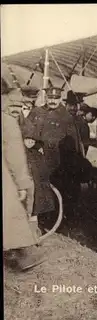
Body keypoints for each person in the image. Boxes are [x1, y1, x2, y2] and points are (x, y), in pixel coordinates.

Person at [22, 86, 83, 221]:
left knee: (58, 186)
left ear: (60, 99)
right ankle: (38, 217)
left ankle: (56, 218)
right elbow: (26, 128)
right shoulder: (36, 112)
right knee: (38, 187)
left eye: (56, 98)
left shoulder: (66, 117)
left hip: (58, 159)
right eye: (50, 98)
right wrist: (28, 139)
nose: (52, 101)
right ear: (46, 98)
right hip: (37, 157)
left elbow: (73, 142)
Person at [2, 101, 46, 271]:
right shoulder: (7, 121)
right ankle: (21, 250)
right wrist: (21, 183)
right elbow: (15, 155)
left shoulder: (22, 122)